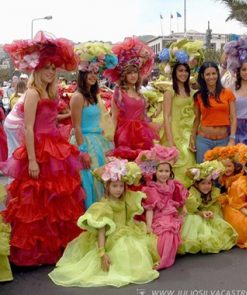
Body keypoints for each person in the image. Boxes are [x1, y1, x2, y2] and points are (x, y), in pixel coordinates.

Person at [1, 31, 85, 266]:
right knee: (36, 200)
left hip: (54, 147)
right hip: (38, 149)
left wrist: (67, 116)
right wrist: (32, 160)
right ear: (37, 69)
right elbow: (28, 128)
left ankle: (55, 247)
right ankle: (37, 250)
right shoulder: (32, 93)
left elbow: (48, 120)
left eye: (53, 68)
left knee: (56, 199)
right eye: (47, 67)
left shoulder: (50, 92)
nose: (51, 71)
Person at [49, 159, 160, 287]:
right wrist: (102, 253)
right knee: (123, 249)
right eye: (114, 186)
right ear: (107, 186)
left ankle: (138, 266)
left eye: (121, 186)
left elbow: (136, 176)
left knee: (138, 245)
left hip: (126, 231)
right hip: (111, 238)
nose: (118, 190)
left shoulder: (126, 199)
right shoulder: (104, 206)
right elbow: (101, 230)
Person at [70, 42, 117, 208]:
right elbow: (76, 127)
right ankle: (91, 212)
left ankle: (102, 212)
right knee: (89, 179)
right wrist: (82, 152)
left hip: (98, 141)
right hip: (85, 143)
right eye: (89, 72)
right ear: (82, 74)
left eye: (95, 72)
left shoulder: (92, 95)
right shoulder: (77, 97)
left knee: (103, 177)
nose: (92, 76)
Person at [103, 36, 158, 160]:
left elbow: (143, 117)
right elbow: (114, 117)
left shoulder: (140, 94)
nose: (133, 76)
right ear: (124, 75)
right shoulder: (119, 92)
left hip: (142, 134)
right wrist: (111, 137)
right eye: (129, 73)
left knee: (143, 164)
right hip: (124, 134)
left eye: (135, 72)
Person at [159, 39, 204, 186]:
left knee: (190, 168)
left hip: (189, 135)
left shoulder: (193, 92)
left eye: (186, 71)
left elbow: (197, 116)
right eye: (180, 71)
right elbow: (166, 116)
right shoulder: (169, 92)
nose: (183, 74)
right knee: (175, 168)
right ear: (174, 72)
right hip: (174, 134)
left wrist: (193, 135)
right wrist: (171, 142)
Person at [136, 144, 188, 269]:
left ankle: (166, 257)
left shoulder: (173, 185)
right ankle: (161, 259)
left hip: (171, 213)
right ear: (155, 171)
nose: (164, 174)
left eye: (166, 171)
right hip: (158, 216)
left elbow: (179, 200)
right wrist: (149, 226)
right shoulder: (151, 188)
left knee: (171, 229)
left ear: (171, 172)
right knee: (166, 231)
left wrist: (183, 208)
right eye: (160, 171)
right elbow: (149, 209)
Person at [178, 160, 237, 254]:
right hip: (193, 214)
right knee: (195, 221)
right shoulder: (192, 194)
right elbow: (190, 210)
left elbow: (215, 206)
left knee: (216, 224)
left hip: (206, 214)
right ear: (197, 184)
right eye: (203, 183)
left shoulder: (213, 192)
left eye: (209, 183)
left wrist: (211, 212)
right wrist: (201, 213)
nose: (206, 186)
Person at [190, 61, 237, 163]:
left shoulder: (228, 93)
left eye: (214, 73)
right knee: (203, 174)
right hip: (203, 141)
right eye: (207, 74)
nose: (211, 77)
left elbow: (233, 118)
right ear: (202, 76)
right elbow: (197, 119)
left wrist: (232, 139)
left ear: (217, 74)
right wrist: (192, 137)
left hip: (223, 141)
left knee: (221, 174)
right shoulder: (198, 96)